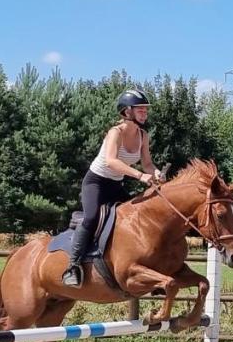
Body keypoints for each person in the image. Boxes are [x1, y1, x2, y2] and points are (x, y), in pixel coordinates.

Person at [62, 89, 160, 287]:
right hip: (95, 182)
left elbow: (147, 163)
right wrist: (140, 176)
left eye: (145, 110)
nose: (144, 113)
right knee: (91, 218)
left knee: (136, 217)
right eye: (140, 110)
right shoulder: (115, 133)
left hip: (115, 184)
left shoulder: (143, 135)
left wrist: (156, 173)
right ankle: (72, 267)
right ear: (126, 112)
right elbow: (111, 162)